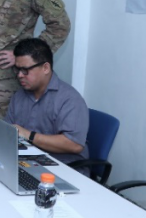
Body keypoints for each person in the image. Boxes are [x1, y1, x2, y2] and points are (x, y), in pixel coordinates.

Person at [6, 38, 89, 171]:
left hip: (64, 168)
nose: (20, 75)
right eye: (17, 69)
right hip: (28, 163)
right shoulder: (19, 96)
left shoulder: (69, 99)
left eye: (25, 70)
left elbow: (74, 144)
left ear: (45, 68)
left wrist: (29, 135)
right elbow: (9, 132)